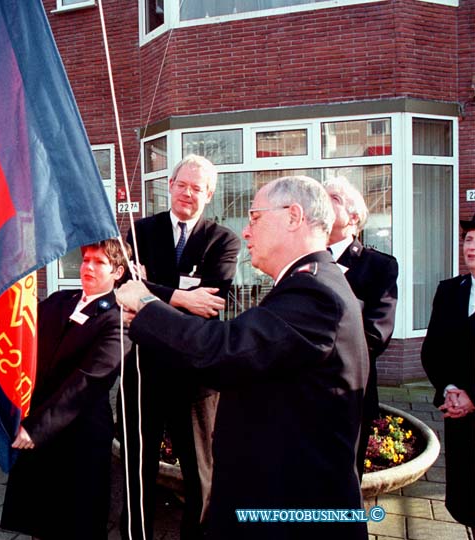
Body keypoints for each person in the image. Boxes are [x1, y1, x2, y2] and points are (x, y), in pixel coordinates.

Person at [117, 176, 368, 540]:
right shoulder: (308, 283)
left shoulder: (315, 293)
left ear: (293, 216)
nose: (246, 231)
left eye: (254, 217)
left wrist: (146, 304)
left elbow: (225, 349)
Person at [120, 154, 240, 539]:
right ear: (169, 185)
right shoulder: (140, 232)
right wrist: (182, 298)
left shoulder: (223, 240)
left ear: (210, 195)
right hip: (143, 371)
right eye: (182, 184)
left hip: (195, 379)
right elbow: (123, 289)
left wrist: (149, 291)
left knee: (200, 472)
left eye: (198, 188)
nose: (188, 193)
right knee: (136, 469)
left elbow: (213, 299)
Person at [1, 239, 131, 540]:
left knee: (76, 521)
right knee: (40, 519)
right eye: (86, 260)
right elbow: (22, 332)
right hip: (42, 431)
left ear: (117, 271)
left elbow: (85, 382)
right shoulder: (60, 300)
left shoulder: (118, 320)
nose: (88, 267)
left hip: (78, 437)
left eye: (99, 263)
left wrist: (36, 428)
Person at [325, 177, 398, 478]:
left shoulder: (378, 265)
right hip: (301, 394)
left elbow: (376, 333)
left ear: (354, 217)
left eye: (334, 198)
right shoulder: (301, 261)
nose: (324, 201)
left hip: (348, 393)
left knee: (344, 482)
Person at [421, 214, 475, 530]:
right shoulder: (449, 291)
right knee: (465, 502)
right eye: (468, 239)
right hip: (457, 416)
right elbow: (432, 350)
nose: (472, 247)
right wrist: (450, 388)